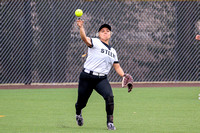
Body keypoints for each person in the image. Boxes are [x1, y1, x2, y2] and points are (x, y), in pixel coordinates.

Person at [75, 19, 128, 130]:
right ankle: (78, 113)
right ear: (99, 34)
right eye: (102, 31)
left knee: (109, 97)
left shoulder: (113, 51)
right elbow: (84, 38)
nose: (105, 32)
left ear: (110, 34)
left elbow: (117, 66)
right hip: (87, 77)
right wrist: (81, 27)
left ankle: (110, 122)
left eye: (107, 31)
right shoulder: (95, 42)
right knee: (82, 102)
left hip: (101, 79)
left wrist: (124, 75)